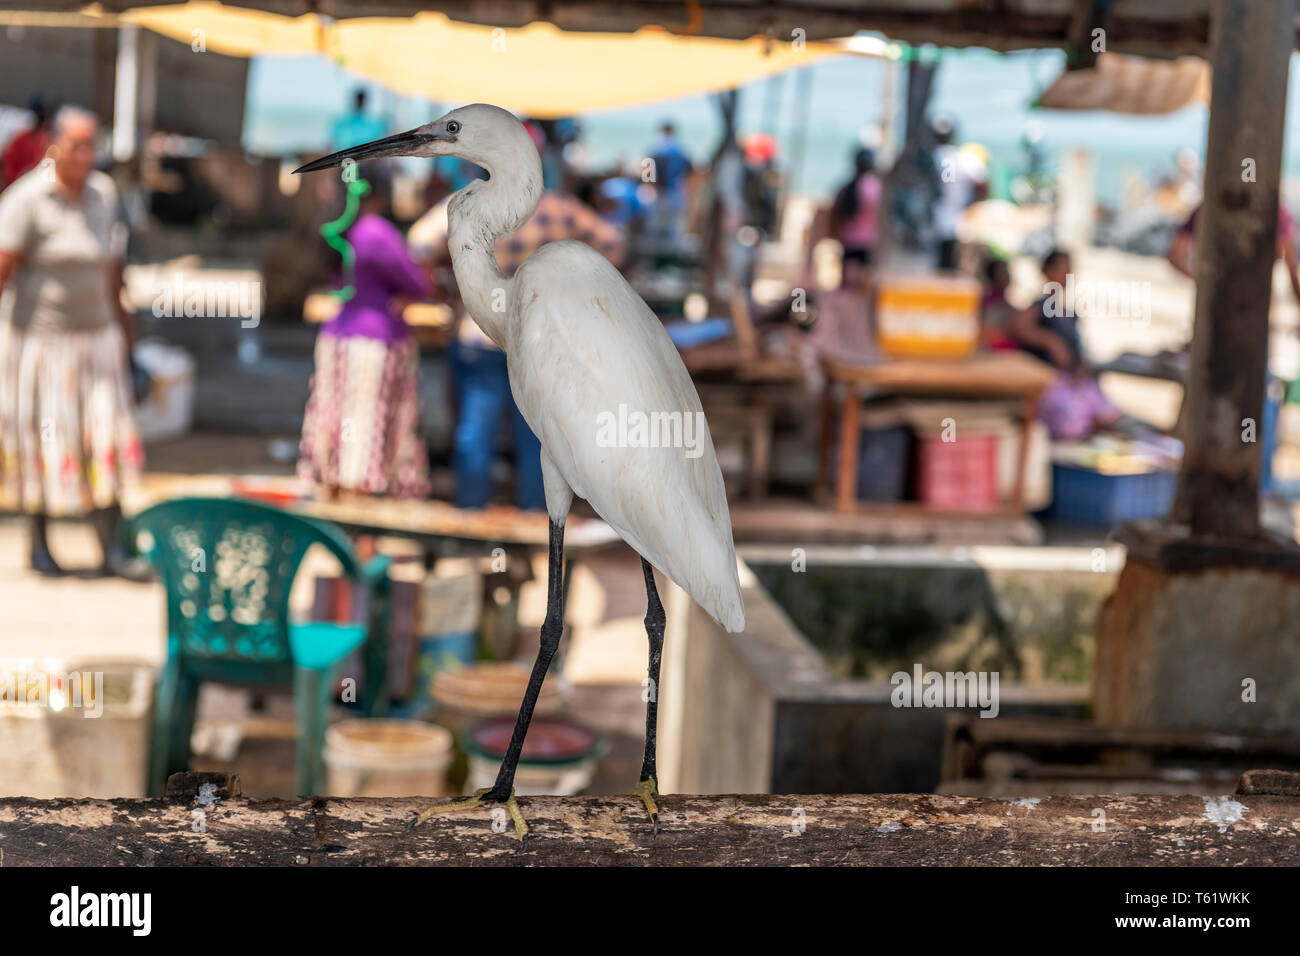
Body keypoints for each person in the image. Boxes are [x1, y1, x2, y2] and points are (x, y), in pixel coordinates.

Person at [410, 185, 626, 511]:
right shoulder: (556, 206)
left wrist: (445, 284)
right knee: (538, 437)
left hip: (480, 333)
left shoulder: (470, 202)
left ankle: (471, 515)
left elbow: (419, 243)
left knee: (475, 430)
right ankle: (535, 519)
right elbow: (613, 243)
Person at [0, 106, 147, 578]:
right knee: (45, 441)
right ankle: (40, 546)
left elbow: (112, 275)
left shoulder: (103, 196)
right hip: (42, 347)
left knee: (102, 442)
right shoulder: (27, 200)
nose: (87, 155)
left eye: (92, 146)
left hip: (97, 344)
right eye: (78, 145)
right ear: (54, 145)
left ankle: (113, 550)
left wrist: (129, 343)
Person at [298, 171, 432, 499]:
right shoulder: (375, 232)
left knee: (333, 421)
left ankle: (333, 506)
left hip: (335, 340)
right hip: (373, 345)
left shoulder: (334, 230)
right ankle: (362, 524)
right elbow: (418, 283)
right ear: (378, 195)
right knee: (364, 427)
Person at [1009, 248, 1121, 441]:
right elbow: (1018, 325)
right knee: (1073, 424)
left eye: (1070, 268)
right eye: (1063, 268)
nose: (1068, 274)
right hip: (1049, 381)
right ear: (1048, 271)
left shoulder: (1067, 312)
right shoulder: (1042, 306)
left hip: (1073, 381)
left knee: (1107, 415)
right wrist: (1048, 341)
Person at [931, 118, 988, 271]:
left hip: (931, 220)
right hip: (957, 218)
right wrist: (972, 202)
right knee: (951, 266)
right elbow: (983, 181)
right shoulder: (964, 158)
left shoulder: (927, 158)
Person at [830, 147, 883, 270]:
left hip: (846, 241)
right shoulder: (874, 186)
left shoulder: (845, 187)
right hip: (867, 244)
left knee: (847, 282)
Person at [646, 122, 692, 241]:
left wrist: (652, 185)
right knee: (674, 226)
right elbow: (689, 170)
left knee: (657, 225)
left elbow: (647, 171)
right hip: (677, 190)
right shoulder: (680, 149)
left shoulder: (657, 148)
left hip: (662, 191)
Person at [2, 96, 52, 190]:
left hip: (42, 188)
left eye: (42, 114)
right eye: (37, 114)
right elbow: (10, 167)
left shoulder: (48, 140)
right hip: (20, 188)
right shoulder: (20, 140)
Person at [330, 88, 388, 153]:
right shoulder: (343, 122)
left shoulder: (373, 123)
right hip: (349, 157)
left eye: (361, 100)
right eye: (360, 100)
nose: (360, 102)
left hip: (361, 157)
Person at [979, 256, 1018, 350]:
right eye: (1003, 272)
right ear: (992, 276)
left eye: (1008, 272)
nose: (1007, 276)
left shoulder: (1007, 304)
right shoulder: (986, 302)